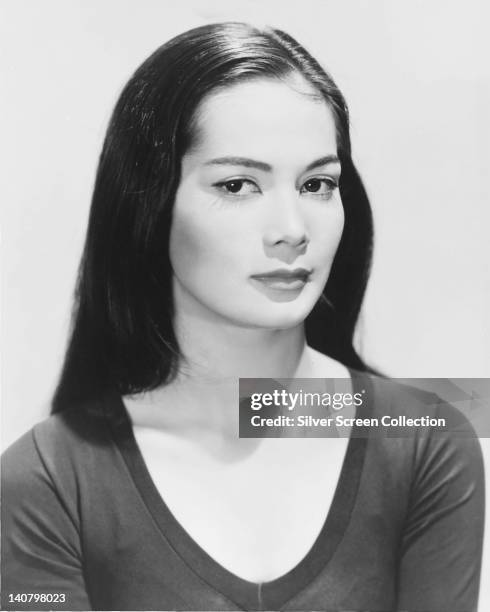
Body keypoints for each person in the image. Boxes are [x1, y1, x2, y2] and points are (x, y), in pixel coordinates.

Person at [1, 22, 484, 612]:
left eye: (317, 183)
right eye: (238, 184)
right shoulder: (47, 479)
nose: (291, 229)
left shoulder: (426, 440)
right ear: (148, 202)